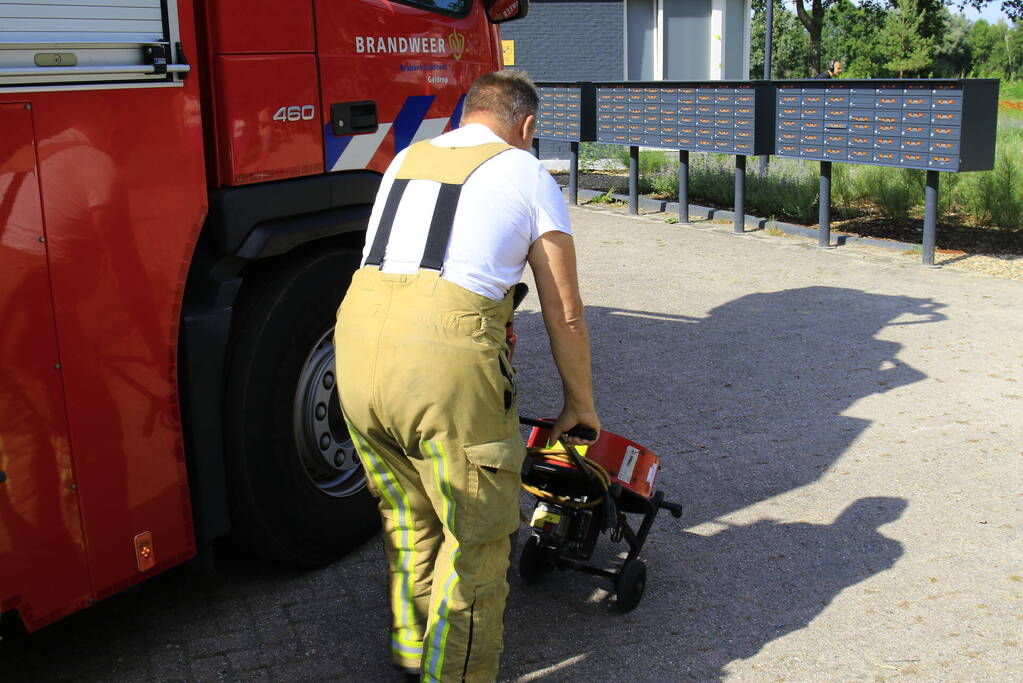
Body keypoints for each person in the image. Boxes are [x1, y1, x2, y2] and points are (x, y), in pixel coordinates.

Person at [333, 70, 600, 683]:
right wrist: (579, 402)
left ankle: (411, 650)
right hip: (443, 355)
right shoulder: (527, 170)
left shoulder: (407, 156)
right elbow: (566, 311)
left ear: (467, 113)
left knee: (408, 515)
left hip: (353, 342)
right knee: (476, 537)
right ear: (526, 126)